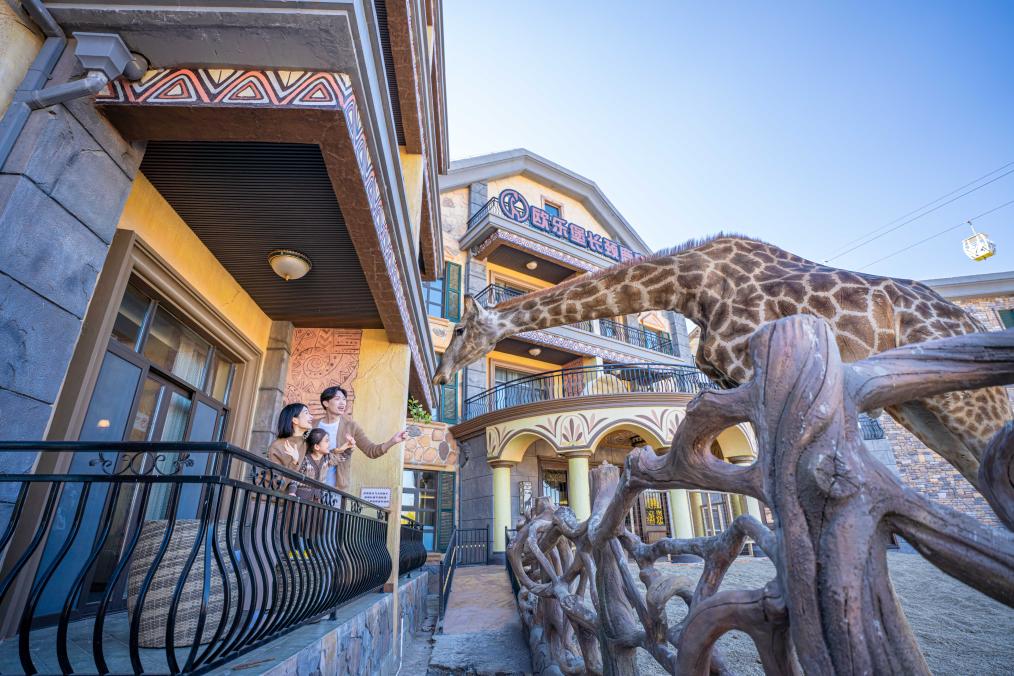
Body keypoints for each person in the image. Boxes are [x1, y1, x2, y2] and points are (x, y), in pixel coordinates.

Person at [315, 385, 408, 491]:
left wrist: (393, 441)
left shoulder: (351, 427)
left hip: (335, 490)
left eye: (344, 399)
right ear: (326, 403)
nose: (342, 403)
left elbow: (371, 451)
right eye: (337, 399)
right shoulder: (313, 426)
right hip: (310, 486)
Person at [267, 402, 314, 472]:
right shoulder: (278, 446)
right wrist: (294, 462)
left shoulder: (310, 444)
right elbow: (275, 477)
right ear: (295, 420)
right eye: (306, 413)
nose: (311, 417)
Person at [293, 428, 331, 502]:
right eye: (326, 441)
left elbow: (340, 458)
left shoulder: (327, 459)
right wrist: (292, 492)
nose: (329, 443)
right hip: (301, 499)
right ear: (317, 447)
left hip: (317, 499)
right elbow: (296, 477)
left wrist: (349, 448)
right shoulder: (305, 460)